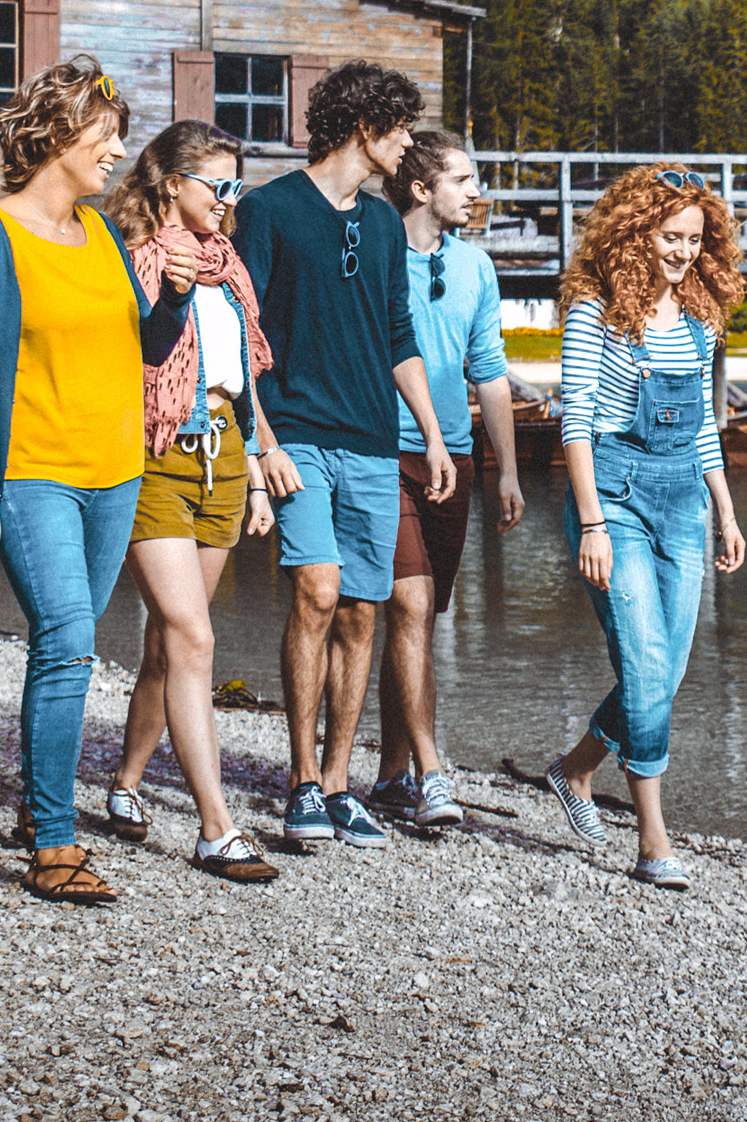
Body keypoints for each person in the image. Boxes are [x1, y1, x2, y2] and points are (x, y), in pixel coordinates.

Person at [0, 55, 196, 906]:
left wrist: (176, 299)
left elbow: (147, 350)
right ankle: (53, 842)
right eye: (106, 133)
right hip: (30, 476)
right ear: (57, 132)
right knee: (66, 642)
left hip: (114, 475)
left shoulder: (104, 239)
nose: (118, 151)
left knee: (70, 652)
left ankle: (35, 804)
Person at [233, 60, 456, 850]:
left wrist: (427, 433)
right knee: (318, 594)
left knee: (363, 612)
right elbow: (242, 334)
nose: (406, 144)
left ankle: (338, 784)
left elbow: (398, 334)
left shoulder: (385, 222)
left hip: (371, 440)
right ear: (363, 128)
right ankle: (297, 781)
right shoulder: (269, 211)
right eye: (398, 130)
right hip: (295, 435)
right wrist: (260, 443)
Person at [548, 163, 747, 890]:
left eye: (695, 239)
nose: (682, 252)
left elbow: (701, 431)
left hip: (681, 504)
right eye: (669, 236)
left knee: (666, 672)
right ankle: (652, 841)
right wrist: (593, 525)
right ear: (635, 231)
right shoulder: (593, 310)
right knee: (645, 665)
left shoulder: (699, 317)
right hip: (612, 499)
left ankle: (574, 771)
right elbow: (574, 424)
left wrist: (724, 510)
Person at [104, 120, 279, 883]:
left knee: (166, 646)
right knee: (193, 640)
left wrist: (263, 461)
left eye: (236, 185)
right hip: (154, 458)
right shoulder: (136, 261)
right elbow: (128, 357)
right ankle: (216, 827)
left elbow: (242, 373)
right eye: (218, 183)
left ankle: (125, 781)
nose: (228, 199)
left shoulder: (225, 264)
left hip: (225, 461)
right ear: (172, 182)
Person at [369, 131, 525, 828]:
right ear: (420, 188)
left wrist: (507, 470)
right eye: (462, 180)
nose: (474, 193)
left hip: (454, 459)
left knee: (421, 620)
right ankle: (434, 771)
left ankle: (390, 776)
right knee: (407, 605)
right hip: (381, 452)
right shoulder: (373, 256)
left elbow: (487, 371)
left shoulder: (475, 267)